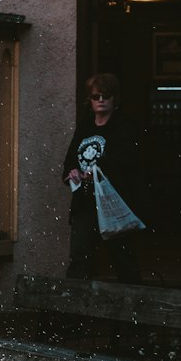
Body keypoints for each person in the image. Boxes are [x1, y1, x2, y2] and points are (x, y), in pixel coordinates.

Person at [61, 73, 143, 283]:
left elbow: (128, 159)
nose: (100, 100)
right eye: (95, 96)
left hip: (113, 202)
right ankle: (74, 312)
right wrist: (72, 172)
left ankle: (130, 309)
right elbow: (71, 158)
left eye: (106, 95)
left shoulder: (124, 126)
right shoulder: (85, 126)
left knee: (123, 261)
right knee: (79, 258)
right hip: (84, 202)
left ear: (115, 98)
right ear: (89, 100)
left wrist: (98, 169)